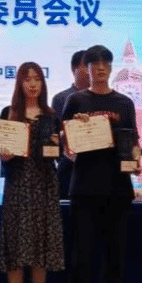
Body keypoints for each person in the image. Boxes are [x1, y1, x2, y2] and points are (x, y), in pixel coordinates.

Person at [60, 44, 139, 283]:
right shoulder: (75, 100)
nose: (101, 68)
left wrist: (136, 160)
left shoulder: (124, 103)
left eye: (105, 62)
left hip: (118, 187)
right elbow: (65, 145)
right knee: (81, 252)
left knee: (114, 253)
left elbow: (134, 141)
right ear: (87, 69)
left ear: (111, 66)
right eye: (94, 63)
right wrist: (77, 132)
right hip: (83, 186)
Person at [0, 61, 64, 283]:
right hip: (17, 186)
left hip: (45, 185)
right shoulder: (9, 113)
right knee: (15, 247)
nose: (33, 83)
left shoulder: (52, 115)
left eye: (37, 78)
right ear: (20, 83)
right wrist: (4, 155)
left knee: (41, 248)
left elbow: (61, 155)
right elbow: (0, 150)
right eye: (27, 79)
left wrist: (60, 145)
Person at [51, 50, 88, 200]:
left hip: (97, 169)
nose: (90, 70)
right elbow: (55, 134)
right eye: (86, 65)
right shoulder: (61, 98)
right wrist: (64, 158)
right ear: (74, 69)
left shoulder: (102, 98)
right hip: (69, 168)